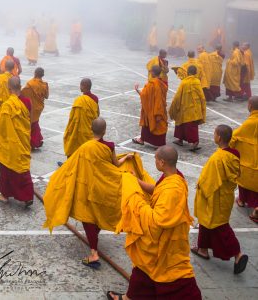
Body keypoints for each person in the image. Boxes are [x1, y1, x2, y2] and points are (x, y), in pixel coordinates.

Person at [44, 118, 146, 269]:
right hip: (103, 187)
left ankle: (93, 253)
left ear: (91, 130)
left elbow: (73, 165)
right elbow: (115, 165)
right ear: (104, 131)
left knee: (88, 216)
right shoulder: (109, 146)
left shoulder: (85, 147)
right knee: (97, 214)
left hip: (89, 187)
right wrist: (126, 157)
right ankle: (94, 245)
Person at [109, 146, 201, 300]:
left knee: (171, 274)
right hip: (160, 241)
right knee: (143, 268)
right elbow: (156, 189)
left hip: (166, 243)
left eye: (156, 159)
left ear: (162, 162)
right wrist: (137, 181)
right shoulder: (173, 176)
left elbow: (158, 221)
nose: (154, 162)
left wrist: (136, 201)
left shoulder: (174, 188)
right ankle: (128, 297)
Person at [192, 124, 248, 274]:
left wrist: (201, 189)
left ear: (219, 137)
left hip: (214, 196)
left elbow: (208, 181)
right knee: (206, 222)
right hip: (226, 196)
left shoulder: (218, 158)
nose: (213, 135)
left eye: (214, 133)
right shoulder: (234, 154)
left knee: (220, 227)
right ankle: (203, 249)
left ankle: (237, 254)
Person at [0, 76, 34, 207]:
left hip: (10, 143)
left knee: (6, 169)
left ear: (8, 88)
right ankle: (27, 196)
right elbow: (29, 121)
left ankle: (5, 195)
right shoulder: (27, 102)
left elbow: (0, 126)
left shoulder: (7, 106)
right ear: (20, 86)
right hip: (22, 140)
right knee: (22, 168)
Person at [231, 96, 258, 223]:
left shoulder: (250, 122)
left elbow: (234, 137)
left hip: (247, 164)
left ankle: (242, 201)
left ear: (250, 106)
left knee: (243, 181)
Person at [169, 65, 206, 151]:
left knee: (185, 124)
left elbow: (178, 96)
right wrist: (202, 106)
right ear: (195, 73)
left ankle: (195, 142)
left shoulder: (184, 82)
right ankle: (180, 140)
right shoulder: (197, 81)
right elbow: (201, 95)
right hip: (195, 107)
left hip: (184, 106)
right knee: (187, 124)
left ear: (188, 72)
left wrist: (174, 106)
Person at [62, 78, 100, 160]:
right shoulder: (95, 98)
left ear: (83, 86)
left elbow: (72, 118)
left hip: (79, 130)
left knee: (73, 143)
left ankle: (71, 163)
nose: (80, 87)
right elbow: (97, 114)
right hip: (90, 130)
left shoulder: (78, 101)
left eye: (80, 85)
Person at [132, 65, 168, 147]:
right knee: (160, 124)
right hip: (161, 109)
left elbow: (144, 96)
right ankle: (159, 142)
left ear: (152, 73)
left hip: (152, 109)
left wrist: (137, 90)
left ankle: (142, 140)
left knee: (147, 123)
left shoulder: (151, 84)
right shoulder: (162, 83)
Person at [21, 67, 49, 149]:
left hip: (31, 107)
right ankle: (37, 141)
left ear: (35, 73)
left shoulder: (30, 84)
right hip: (39, 108)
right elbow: (46, 96)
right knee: (35, 123)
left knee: (32, 124)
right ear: (42, 75)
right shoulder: (45, 85)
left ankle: (33, 142)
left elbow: (23, 93)